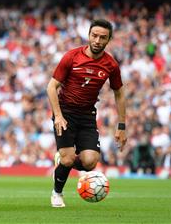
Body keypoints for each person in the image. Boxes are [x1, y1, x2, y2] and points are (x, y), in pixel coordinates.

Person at [46, 19, 127, 207]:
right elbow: (51, 87)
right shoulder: (72, 57)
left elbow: (120, 93)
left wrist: (121, 125)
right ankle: (57, 193)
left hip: (87, 115)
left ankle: (62, 162)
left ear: (109, 40)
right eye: (95, 35)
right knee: (68, 159)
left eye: (103, 37)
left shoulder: (111, 65)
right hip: (65, 112)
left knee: (90, 162)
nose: (98, 40)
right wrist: (58, 115)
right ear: (89, 35)